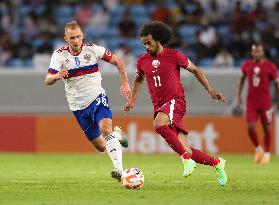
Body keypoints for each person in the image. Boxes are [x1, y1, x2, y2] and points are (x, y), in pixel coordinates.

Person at [124, 21, 228, 186]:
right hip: (160, 106)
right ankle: (217, 163)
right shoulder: (142, 60)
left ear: (159, 40)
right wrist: (132, 100)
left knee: (158, 124)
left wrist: (210, 89)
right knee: (185, 147)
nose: (146, 46)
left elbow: (195, 70)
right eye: (143, 43)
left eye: (148, 43)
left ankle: (185, 159)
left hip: (175, 102)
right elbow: (138, 80)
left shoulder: (174, 55)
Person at [45, 21, 131, 181]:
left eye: (78, 37)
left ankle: (119, 171)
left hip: (97, 97)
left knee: (106, 130)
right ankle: (117, 136)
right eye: (72, 38)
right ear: (66, 38)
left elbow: (118, 61)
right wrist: (57, 76)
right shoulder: (59, 55)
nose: (76, 41)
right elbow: (47, 79)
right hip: (78, 107)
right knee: (100, 146)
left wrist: (125, 83)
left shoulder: (93, 50)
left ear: (82, 36)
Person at [237, 43, 279, 164]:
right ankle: (258, 149)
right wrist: (239, 96)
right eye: (255, 52)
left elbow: (276, 84)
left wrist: (278, 99)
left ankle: (266, 154)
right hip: (251, 103)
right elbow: (241, 81)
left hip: (266, 103)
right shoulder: (247, 65)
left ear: (263, 52)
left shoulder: (270, 66)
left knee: (266, 127)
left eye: (259, 51)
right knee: (250, 127)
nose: (257, 54)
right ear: (252, 52)